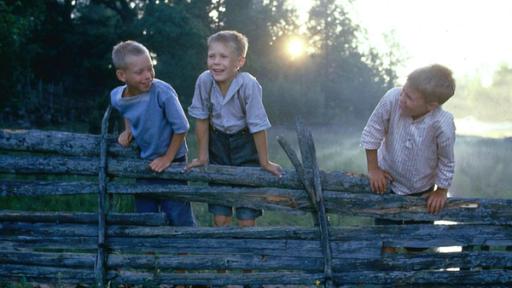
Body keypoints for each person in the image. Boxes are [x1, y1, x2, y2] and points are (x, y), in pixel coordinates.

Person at [186, 30, 282, 228]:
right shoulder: (205, 81)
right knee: (220, 215)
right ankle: (224, 254)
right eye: (212, 56)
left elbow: (258, 125)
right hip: (217, 144)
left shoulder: (248, 84)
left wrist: (264, 161)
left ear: (239, 62)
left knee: (246, 214)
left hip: (245, 144)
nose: (216, 62)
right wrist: (203, 156)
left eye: (223, 56)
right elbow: (202, 119)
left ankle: (248, 253)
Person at [361, 64, 456, 253]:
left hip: (422, 188)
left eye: (409, 97)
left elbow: (446, 160)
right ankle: (387, 271)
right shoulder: (392, 98)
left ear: (431, 105)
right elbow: (373, 131)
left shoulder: (442, 123)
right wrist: (373, 169)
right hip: (387, 183)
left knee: (417, 244)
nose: (402, 99)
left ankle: (411, 274)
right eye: (404, 91)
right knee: (386, 238)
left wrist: (441, 190)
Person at [110, 40, 196, 228]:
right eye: (140, 72)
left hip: (173, 159)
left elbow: (182, 127)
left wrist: (167, 158)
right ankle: (149, 256)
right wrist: (128, 129)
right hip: (145, 160)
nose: (148, 76)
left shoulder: (162, 92)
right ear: (122, 75)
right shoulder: (117, 95)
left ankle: (184, 254)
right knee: (145, 213)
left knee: (177, 212)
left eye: (150, 68)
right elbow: (125, 108)